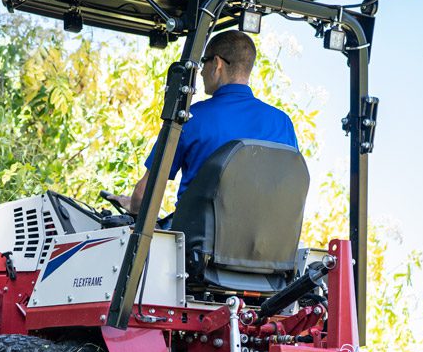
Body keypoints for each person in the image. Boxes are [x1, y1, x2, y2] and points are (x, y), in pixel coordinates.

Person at [110, 29, 298, 215]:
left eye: (203, 62)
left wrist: (132, 205)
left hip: (198, 242)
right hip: (266, 243)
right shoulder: (283, 123)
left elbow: (144, 197)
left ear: (217, 64)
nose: (200, 73)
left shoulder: (189, 118)